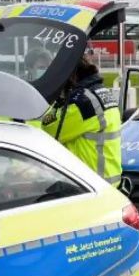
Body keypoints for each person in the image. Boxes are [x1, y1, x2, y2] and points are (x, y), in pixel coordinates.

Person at [35, 56, 123, 187]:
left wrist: (57, 99)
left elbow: (50, 129)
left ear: (70, 76)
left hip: (92, 185)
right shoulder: (99, 92)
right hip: (107, 181)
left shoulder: (83, 104)